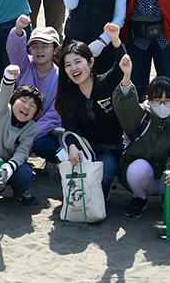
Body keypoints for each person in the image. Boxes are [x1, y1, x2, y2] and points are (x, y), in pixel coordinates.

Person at [111, 69, 170, 218]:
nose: (162, 104)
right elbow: (125, 104)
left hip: (168, 179)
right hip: (145, 178)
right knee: (138, 169)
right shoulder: (141, 117)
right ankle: (139, 198)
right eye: (157, 100)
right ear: (148, 98)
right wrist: (126, 76)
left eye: (167, 100)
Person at [53, 37, 125, 204]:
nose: (73, 68)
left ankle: (101, 196)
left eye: (78, 62)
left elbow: (122, 65)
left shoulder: (106, 82)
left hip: (110, 149)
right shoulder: (68, 95)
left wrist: (115, 39)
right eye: (68, 65)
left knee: (104, 173)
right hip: (85, 150)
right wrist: (71, 146)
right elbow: (69, 128)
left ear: (91, 63)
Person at [0, 66, 43, 208]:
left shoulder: (31, 127)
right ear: (13, 101)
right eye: (23, 101)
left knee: (25, 172)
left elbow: (23, 151)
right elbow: (4, 93)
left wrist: (10, 167)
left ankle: (20, 191)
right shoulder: (2, 111)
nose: (26, 107)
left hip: (12, 166)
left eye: (32, 105)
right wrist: (9, 76)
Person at [6, 16, 65, 172]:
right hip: (21, 121)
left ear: (55, 50)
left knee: (43, 146)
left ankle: (53, 159)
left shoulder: (61, 78)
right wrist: (19, 30)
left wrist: (30, 135)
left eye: (45, 46)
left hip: (46, 129)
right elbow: (15, 51)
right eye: (35, 46)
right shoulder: (25, 65)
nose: (39, 51)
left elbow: (54, 115)